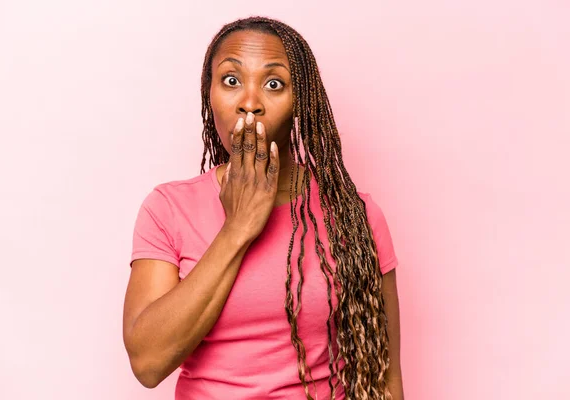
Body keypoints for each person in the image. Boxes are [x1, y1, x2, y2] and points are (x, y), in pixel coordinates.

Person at [123, 16, 404, 400]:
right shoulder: (168, 209)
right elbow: (148, 363)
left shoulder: (355, 217)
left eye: (274, 84)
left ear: (299, 103)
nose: (249, 103)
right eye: (231, 80)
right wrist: (238, 228)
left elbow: (384, 380)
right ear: (209, 94)